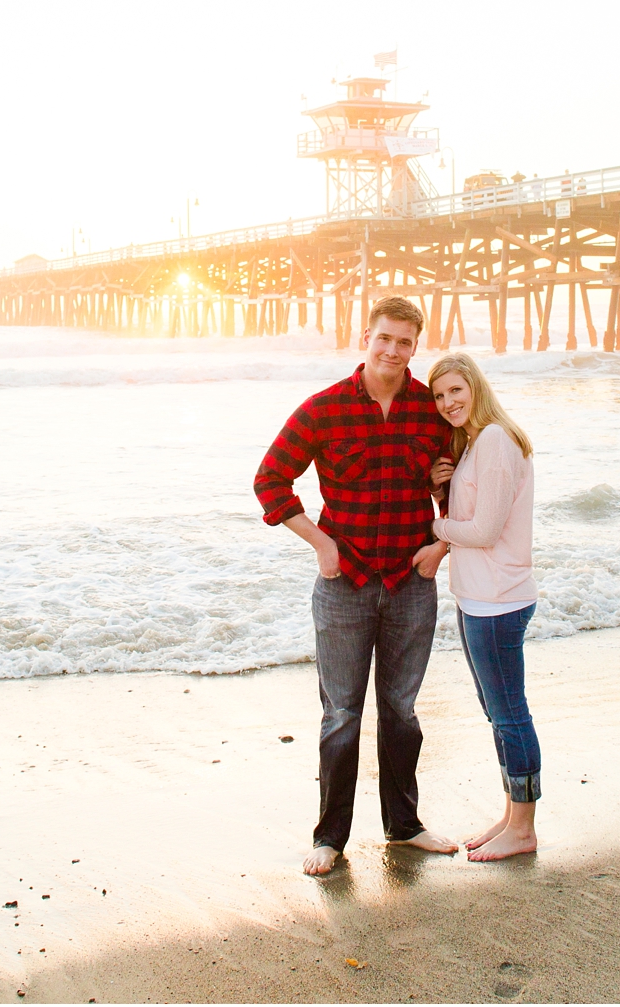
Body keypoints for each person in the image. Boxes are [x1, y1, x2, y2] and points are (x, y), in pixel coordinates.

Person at [253, 295, 459, 876]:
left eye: (405, 342)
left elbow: (470, 490)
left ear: (416, 347)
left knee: (401, 709)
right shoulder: (324, 409)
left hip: (411, 583)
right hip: (344, 585)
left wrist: (439, 550)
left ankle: (405, 826)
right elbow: (270, 479)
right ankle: (330, 838)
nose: (393, 351)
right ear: (364, 338)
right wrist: (321, 544)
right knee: (341, 713)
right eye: (384, 339)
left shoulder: (431, 410)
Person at [415, 353, 541, 860]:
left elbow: (484, 531)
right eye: (439, 396)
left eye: (455, 392)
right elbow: (478, 511)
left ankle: (525, 828)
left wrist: (436, 530)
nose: (447, 404)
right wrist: (439, 486)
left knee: (509, 714)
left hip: (498, 600)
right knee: (498, 712)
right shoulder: (475, 443)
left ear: (476, 387)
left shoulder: (492, 441)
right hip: (480, 596)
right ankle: (513, 814)